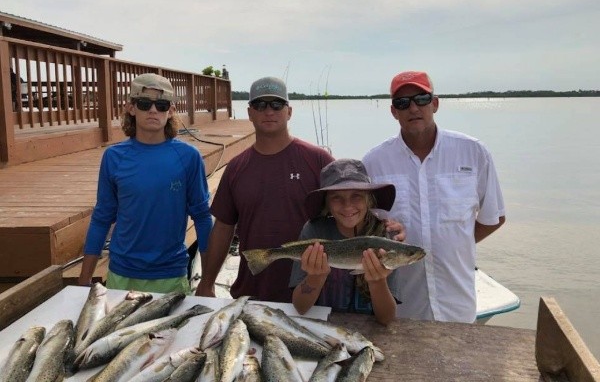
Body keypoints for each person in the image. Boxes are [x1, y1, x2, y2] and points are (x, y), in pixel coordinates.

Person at [363, 71, 506, 323]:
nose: (413, 108)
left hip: (458, 305)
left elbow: (493, 217)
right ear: (393, 111)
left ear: (435, 103)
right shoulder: (373, 162)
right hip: (400, 306)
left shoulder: (473, 152)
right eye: (402, 103)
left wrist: (458, 243)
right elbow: (361, 226)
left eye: (421, 98)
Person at [195, 76, 335, 302]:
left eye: (276, 104)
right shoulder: (237, 167)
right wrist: (207, 282)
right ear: (250, 113)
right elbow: (223, 227)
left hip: (311, 294)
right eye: (260, 105)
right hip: (252, 292)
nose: (268, 111)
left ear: (289, 111)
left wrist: (382, 224)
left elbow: (351, 209)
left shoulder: (318, 160)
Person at [78, 73, 212, 294]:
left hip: (171, 275)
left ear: (170, 111)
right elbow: (102, 217)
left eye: (161, 105)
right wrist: (84, 282)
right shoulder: (113, 157)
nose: (153, 110)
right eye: (144, 103)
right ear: (131, 108)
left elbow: (202, 218)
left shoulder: (189, 157)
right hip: (121, 275)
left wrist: (207, 283)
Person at [290, 158, 405, 325]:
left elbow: (387, 318)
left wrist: (377, 281)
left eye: (356, 196)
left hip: (368, 337)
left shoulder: (385, 236)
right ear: (327, 203)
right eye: (337, 197)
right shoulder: (314, 231)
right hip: (321, 330)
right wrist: (315, 277)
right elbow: (300, 307)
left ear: (369, 199)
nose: (347, 205)